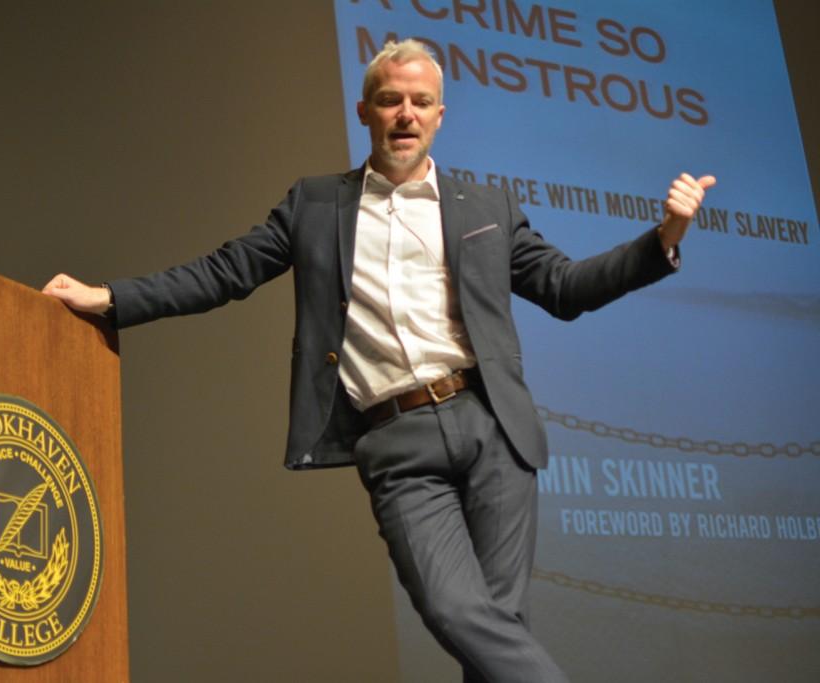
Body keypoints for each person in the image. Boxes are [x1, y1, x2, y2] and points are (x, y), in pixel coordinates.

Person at [43, 39, 714, 683]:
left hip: (493, 428)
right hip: (397, 441)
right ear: (364, 110)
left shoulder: (486, 206)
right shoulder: (314, 204)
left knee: (497, 631)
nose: (406, 114)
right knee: (455, 610)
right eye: (391, 100)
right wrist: (110, 298)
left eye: (421, 101)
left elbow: (566, 289)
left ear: (441, 116)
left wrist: (662, 239)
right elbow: (226, 272)